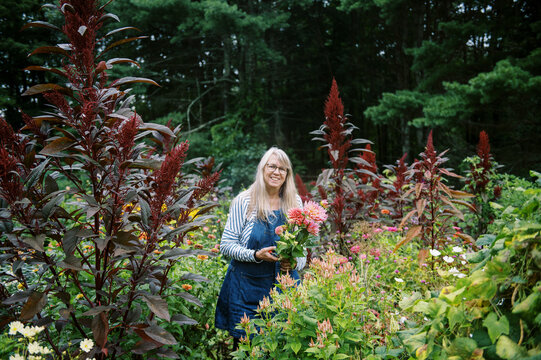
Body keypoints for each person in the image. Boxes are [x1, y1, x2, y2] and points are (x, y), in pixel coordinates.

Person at [215, 147, 305, 345]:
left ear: (287, 174)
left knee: (284, 347)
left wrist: (296, 262)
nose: (276, 172)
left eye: (283, 169)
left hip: (285, 289)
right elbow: (226, 245)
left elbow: (302, 248)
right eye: (272, 166)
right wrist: (256, 255)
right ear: (262, 169)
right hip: (247, 290)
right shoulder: (244, 201)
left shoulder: (294, 202)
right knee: (249, 347)